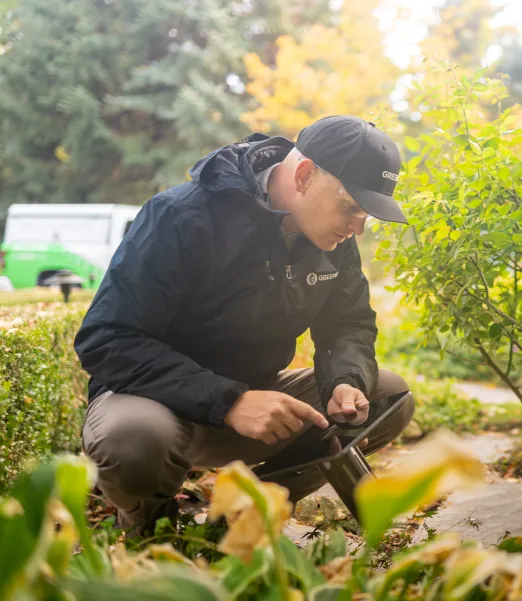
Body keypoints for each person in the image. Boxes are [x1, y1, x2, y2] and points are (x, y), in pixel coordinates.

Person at [74, 116, 416, 534]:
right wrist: (230, 401)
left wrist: (346, 380)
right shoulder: (180, 216)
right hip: (157, 405)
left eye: (366, 215)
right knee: (134, 440)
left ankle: (241, 515)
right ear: (305, 175)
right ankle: (150, 529)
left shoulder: (332, 238)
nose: (357, 228)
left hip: (254, 407)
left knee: (388, 395)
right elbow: (106, 339)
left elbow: (348, 323)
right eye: (351, 208)